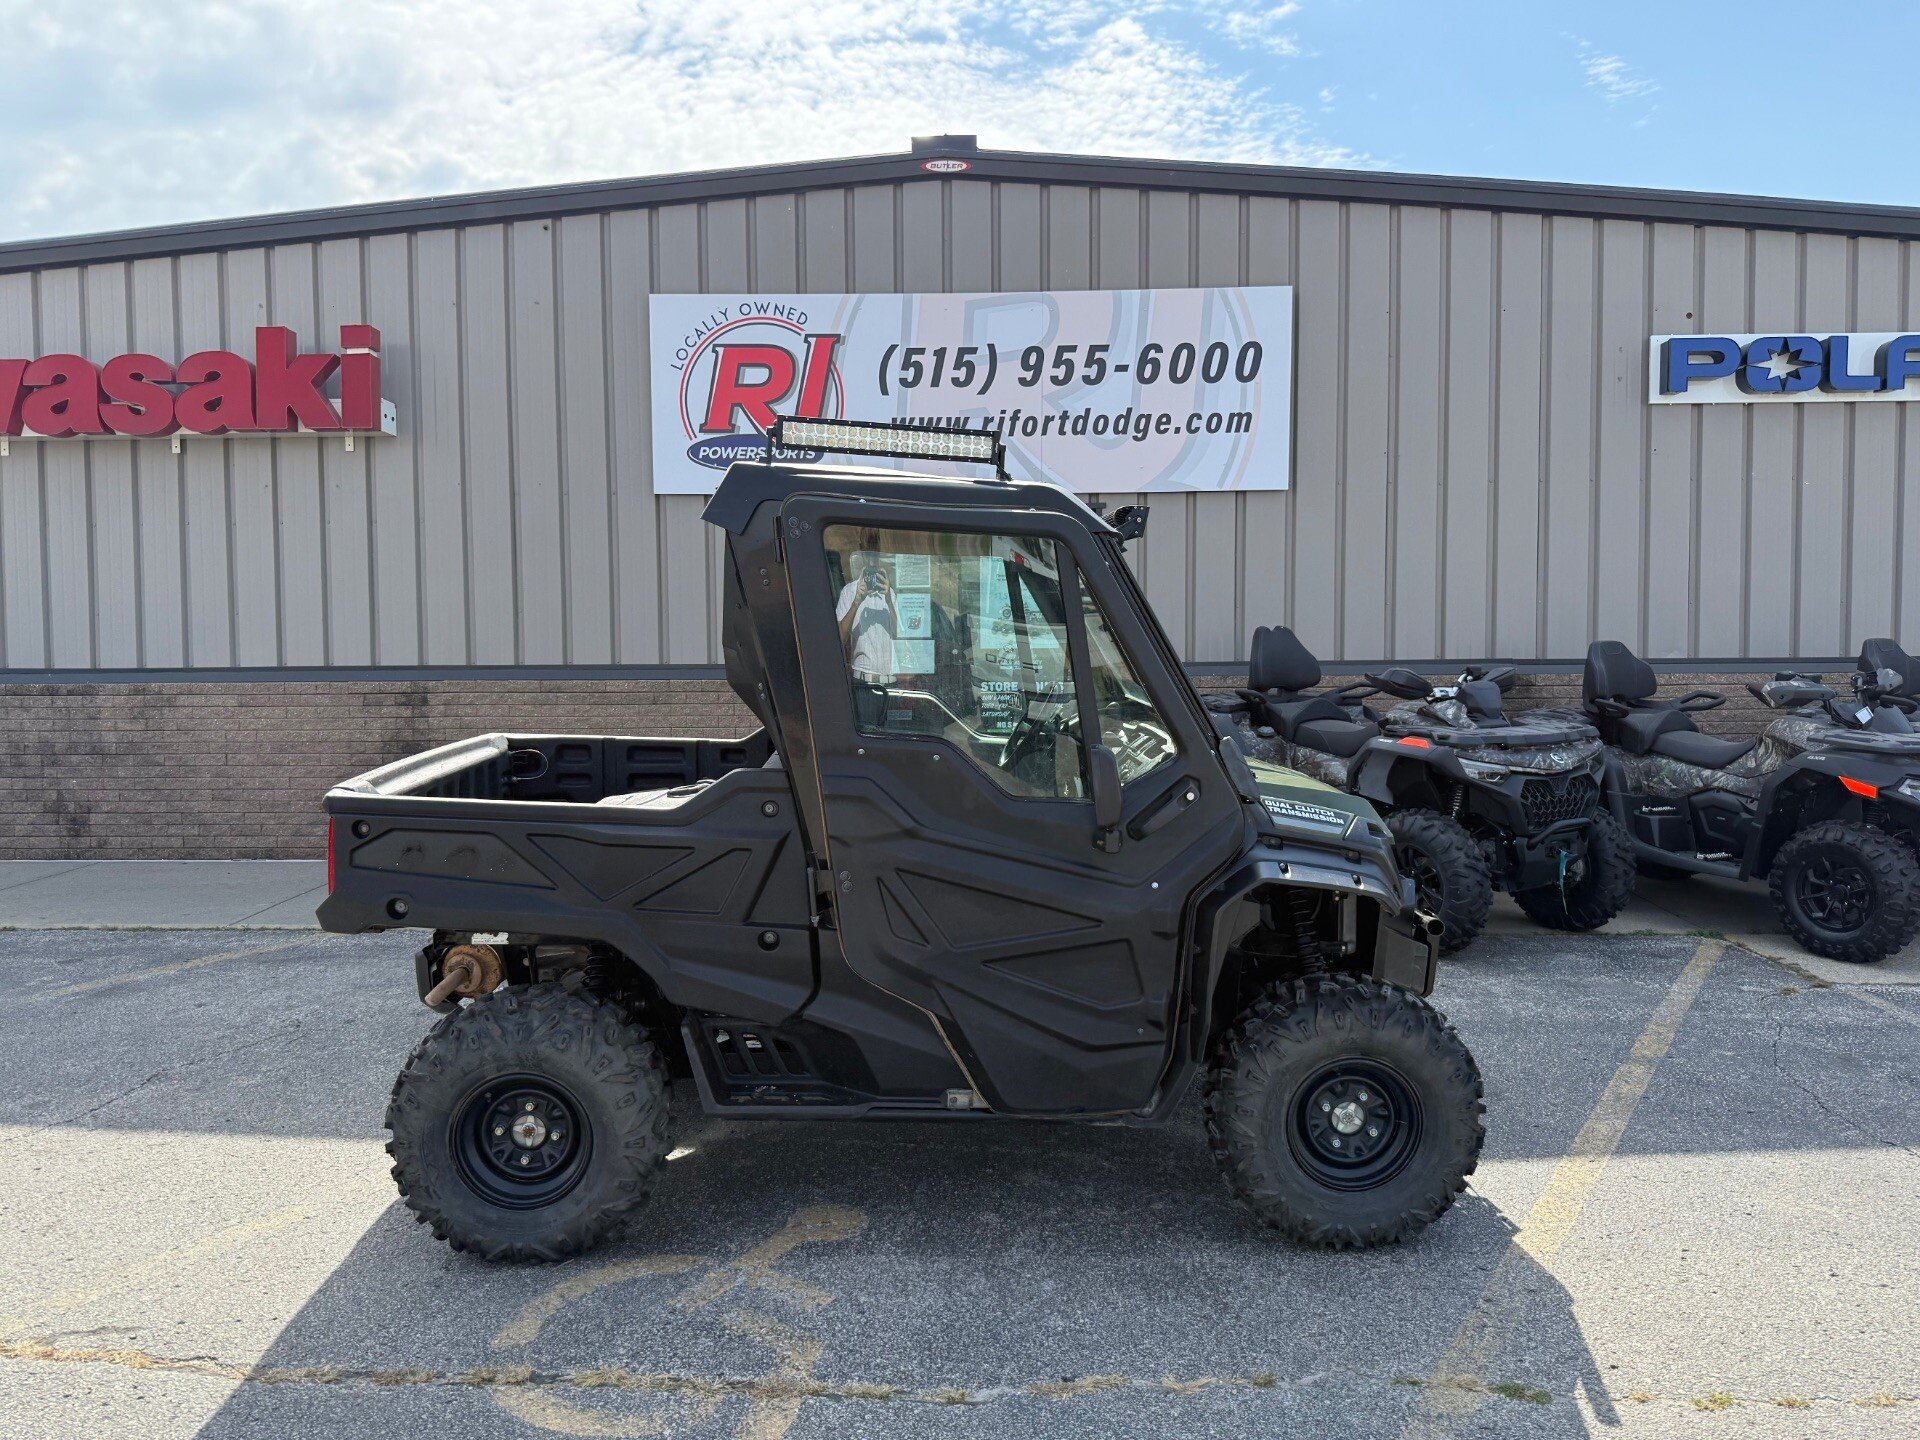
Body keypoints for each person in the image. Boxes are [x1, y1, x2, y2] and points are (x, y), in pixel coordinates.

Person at [837, 553, 897, 728]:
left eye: (876, 558)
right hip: (863, 684)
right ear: (861, 559)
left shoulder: (890, 593)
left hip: (891, 684)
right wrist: (856, 602)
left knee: (894, 739)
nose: (872, 563)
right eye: (868, 557)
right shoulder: (849, 592)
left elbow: (901, 635)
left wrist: (889, 602)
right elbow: (840, 637)